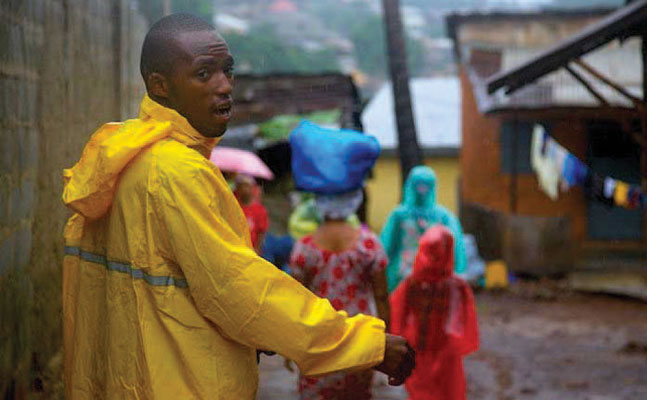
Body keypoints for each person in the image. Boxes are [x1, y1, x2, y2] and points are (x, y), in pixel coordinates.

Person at [61, 14, 413, 399]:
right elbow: (241, 293)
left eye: (227, 71)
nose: (225, 86)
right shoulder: (178, 173)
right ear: (160, 86)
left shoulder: (124, 157)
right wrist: (366, 343)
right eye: (203, 74)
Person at [289, 190, 391, 400]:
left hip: (317, 341)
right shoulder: (369, 244)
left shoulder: (305, 246)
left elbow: (296, 300)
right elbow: (381, 296)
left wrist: (289, 345)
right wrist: (386, 341)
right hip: (359, 339)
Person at [390, 226, 479, 400]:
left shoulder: (452, 286)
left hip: (436, 351)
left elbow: (397, 315)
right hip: (427, 349)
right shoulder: (453, 286)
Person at [381, 166, 467, 292]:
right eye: (418, 185)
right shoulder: (399, 216)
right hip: (403, 280)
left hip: (434, 280)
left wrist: (458, 274)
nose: (422, 190)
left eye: (426, 185)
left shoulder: (443, 217)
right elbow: (386, 247)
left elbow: (456, 249)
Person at [235, 174, 268, 253]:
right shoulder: (233, 206)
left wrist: (258, 248)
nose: (245, 189)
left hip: (251, 249)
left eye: (247, 186)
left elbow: (262, 231)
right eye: (242, 186)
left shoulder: (259, 210)